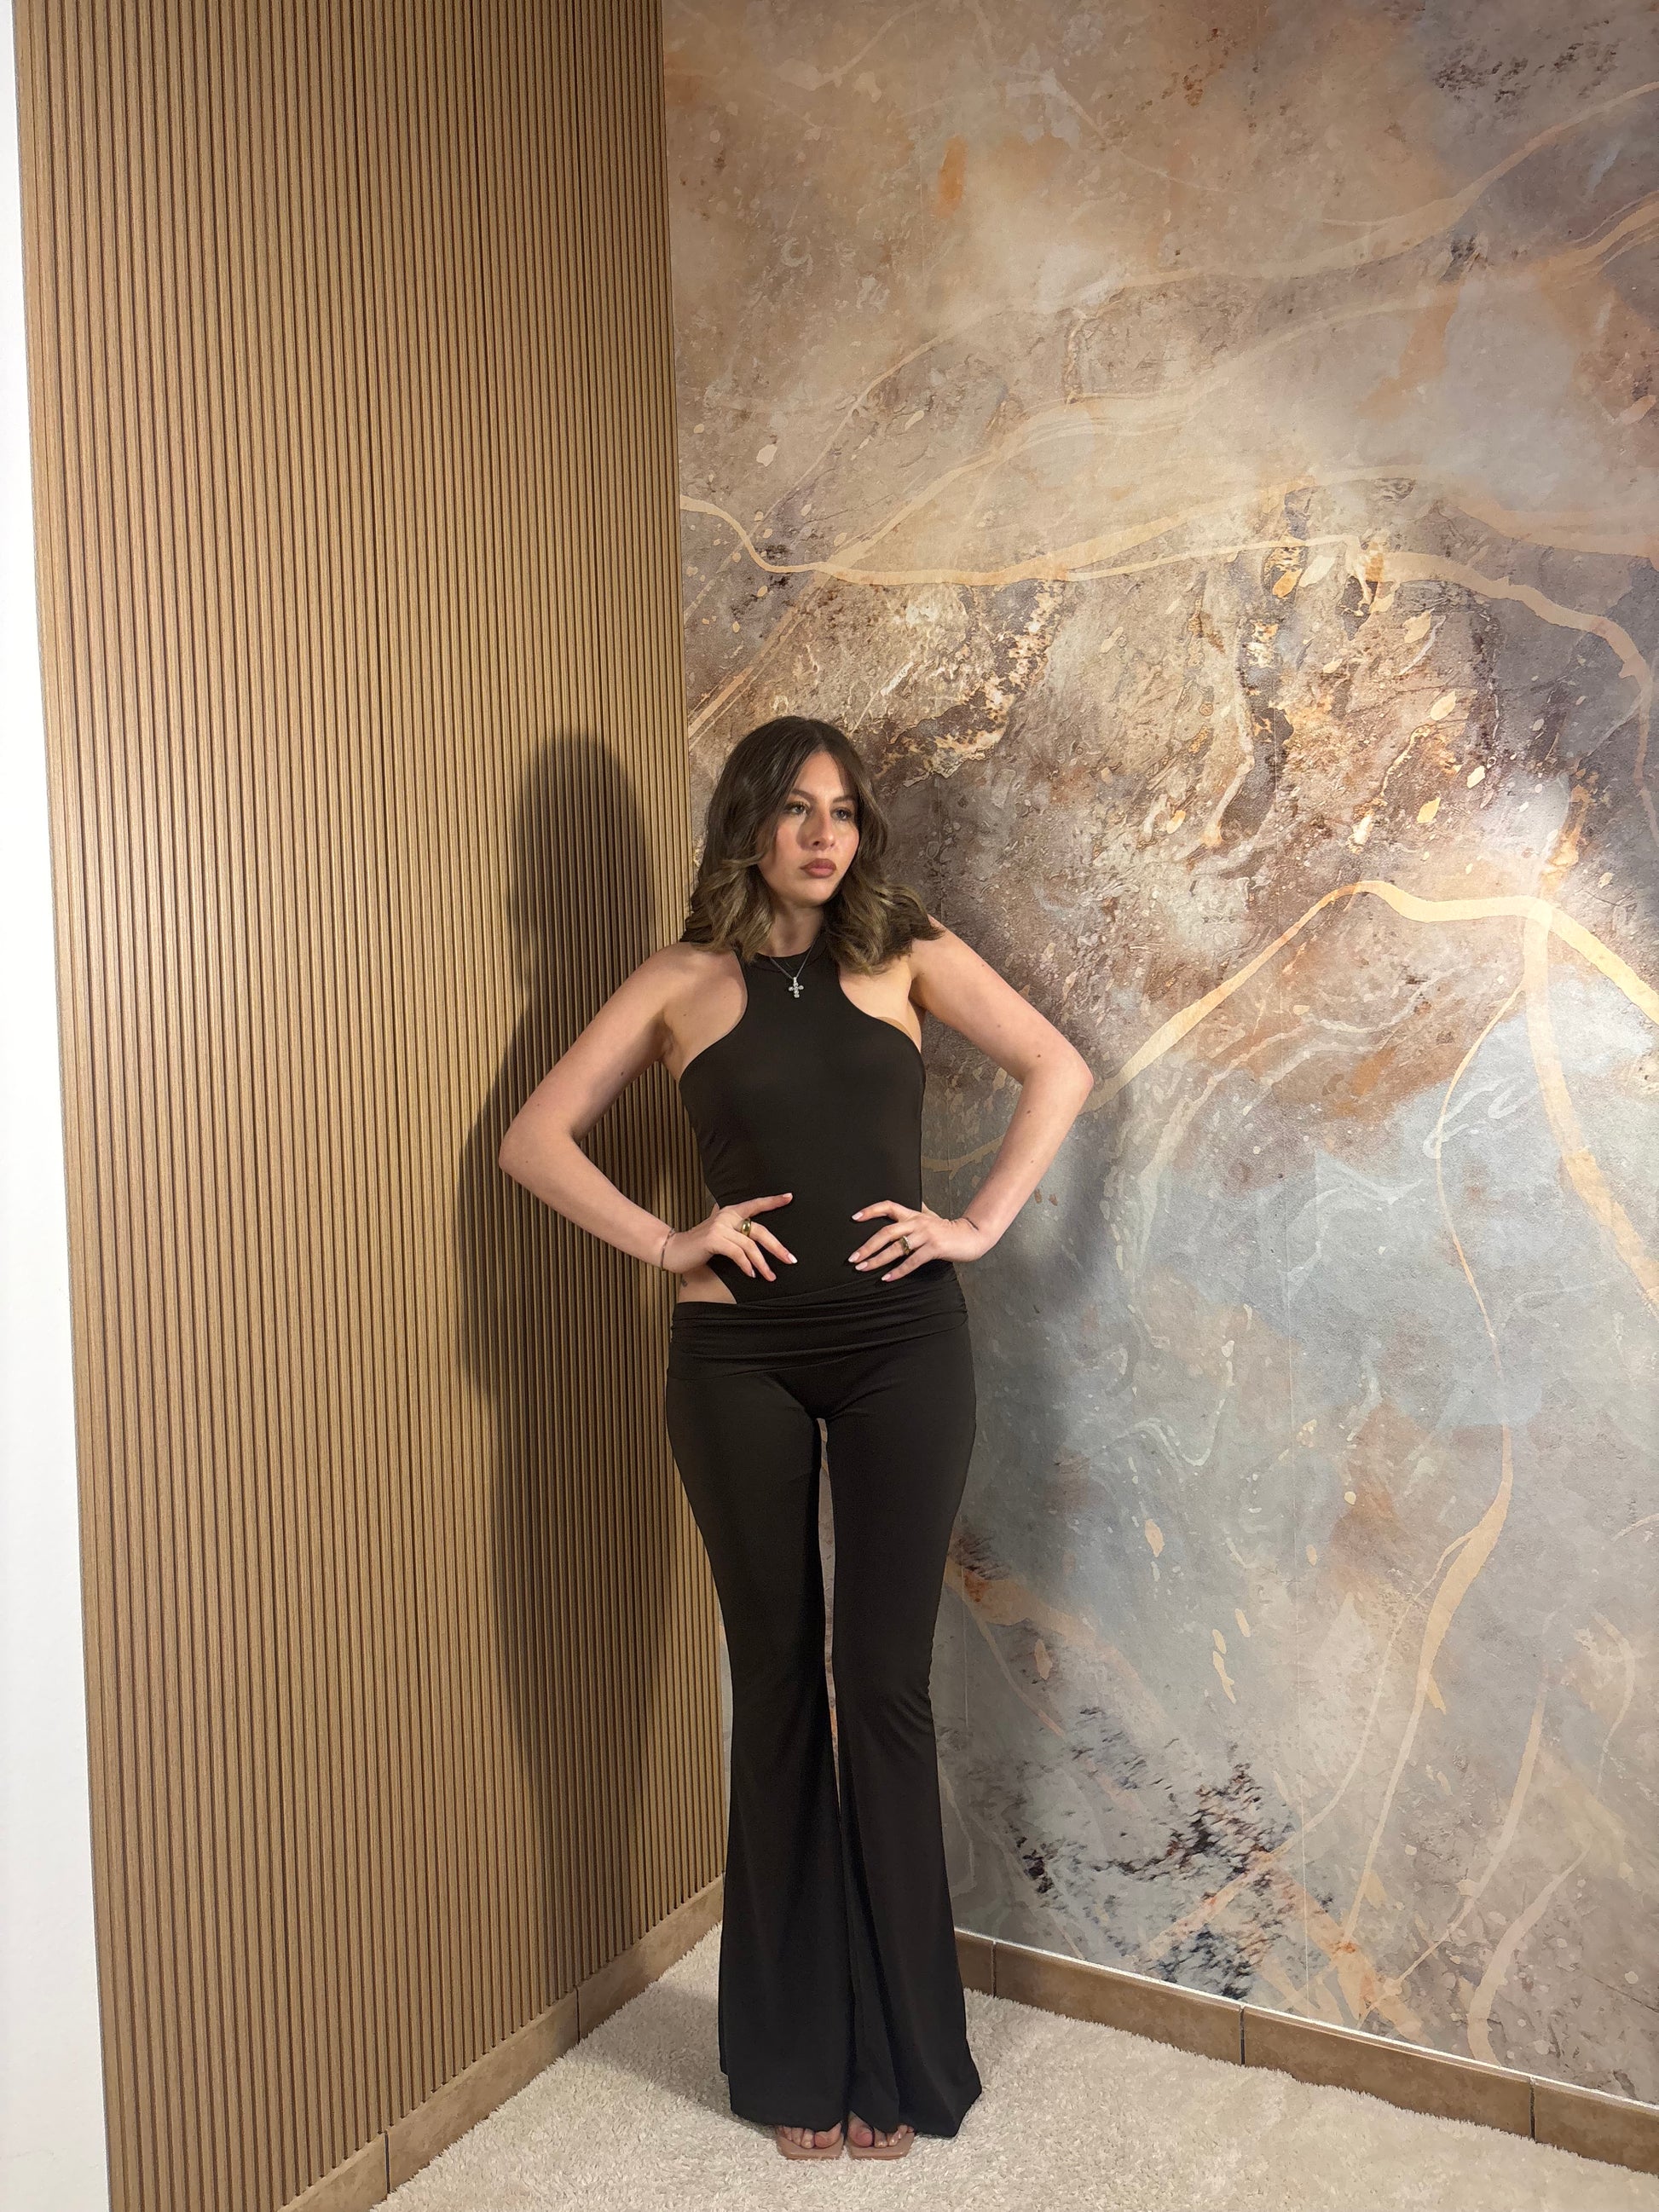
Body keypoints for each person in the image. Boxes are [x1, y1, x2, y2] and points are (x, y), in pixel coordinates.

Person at [497, 715, 1093, 2161]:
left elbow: (1057, 1070)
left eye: (843, 811)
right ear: (747, 825)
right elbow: (530, 1140)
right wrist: (668, 1241)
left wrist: (973, 1226)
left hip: (902, 1352)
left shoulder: (904, 952)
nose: (825, 835)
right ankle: (787, 2063)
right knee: (772, 1683)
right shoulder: (677, 981)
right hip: (735, 1362)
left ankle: (899, 2059)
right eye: (795, 810)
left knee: (880, 1686)